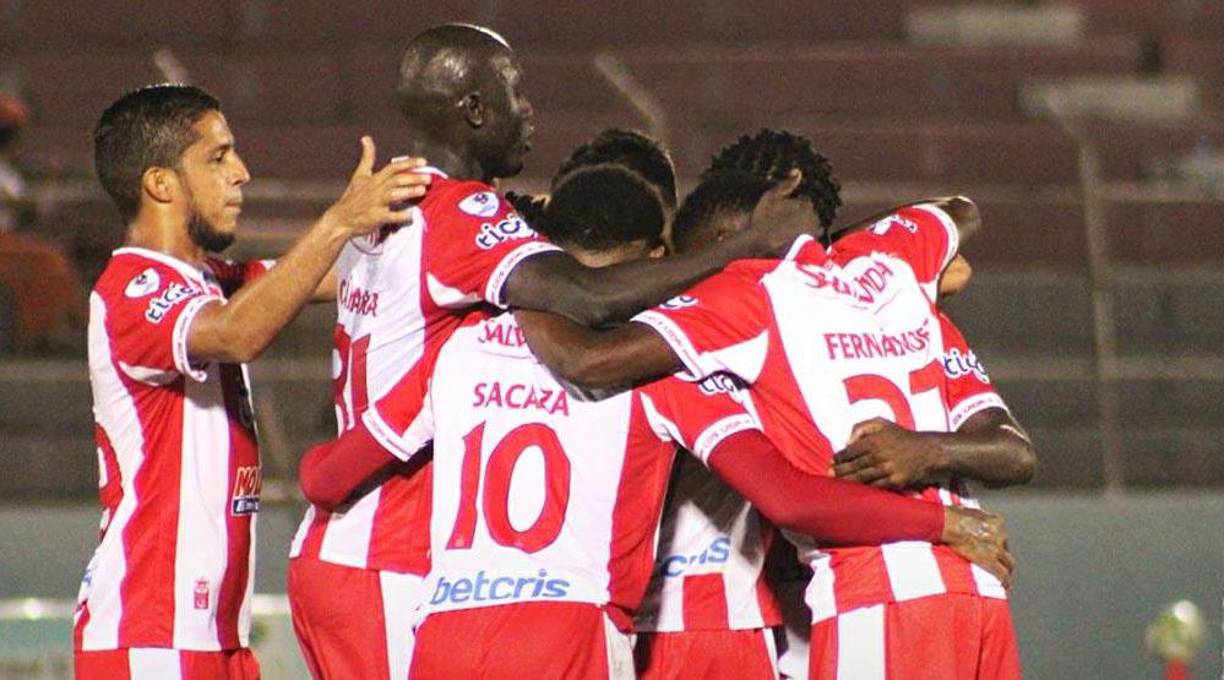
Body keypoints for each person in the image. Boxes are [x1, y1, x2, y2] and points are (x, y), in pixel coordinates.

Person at [299, 163, 1011, 679]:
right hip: (601, 630)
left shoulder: (458, 351)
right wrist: (942, 523)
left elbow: (323, 476)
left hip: (448, 632)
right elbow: (789, 496)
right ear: (657, 259)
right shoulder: (664, 368)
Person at [285, 24, 815, 680]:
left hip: (350, 538)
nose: (529, 107)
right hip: (394, 547)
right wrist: (743, 247)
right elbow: (587, 298)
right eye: (514, 90)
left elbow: (325, 470)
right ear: (475, 109)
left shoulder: (383, 203)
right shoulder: (461, 217)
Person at [517, 165, 1030, 679]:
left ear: (726, 244)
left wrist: (515, 279)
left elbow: (588, 360)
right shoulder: (897, 268)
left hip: (877, 593)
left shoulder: (745, 292)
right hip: (977, 588)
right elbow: (960, 210)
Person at [74, 83, 429, 679]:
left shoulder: (210, 279)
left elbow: (320, 279)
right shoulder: (133, 288)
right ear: (161, 184)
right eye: (217, 157)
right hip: (151, 635)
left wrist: (419, 229)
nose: (240, 173)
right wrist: (338, 222)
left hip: (215, 639)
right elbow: (237, 333)